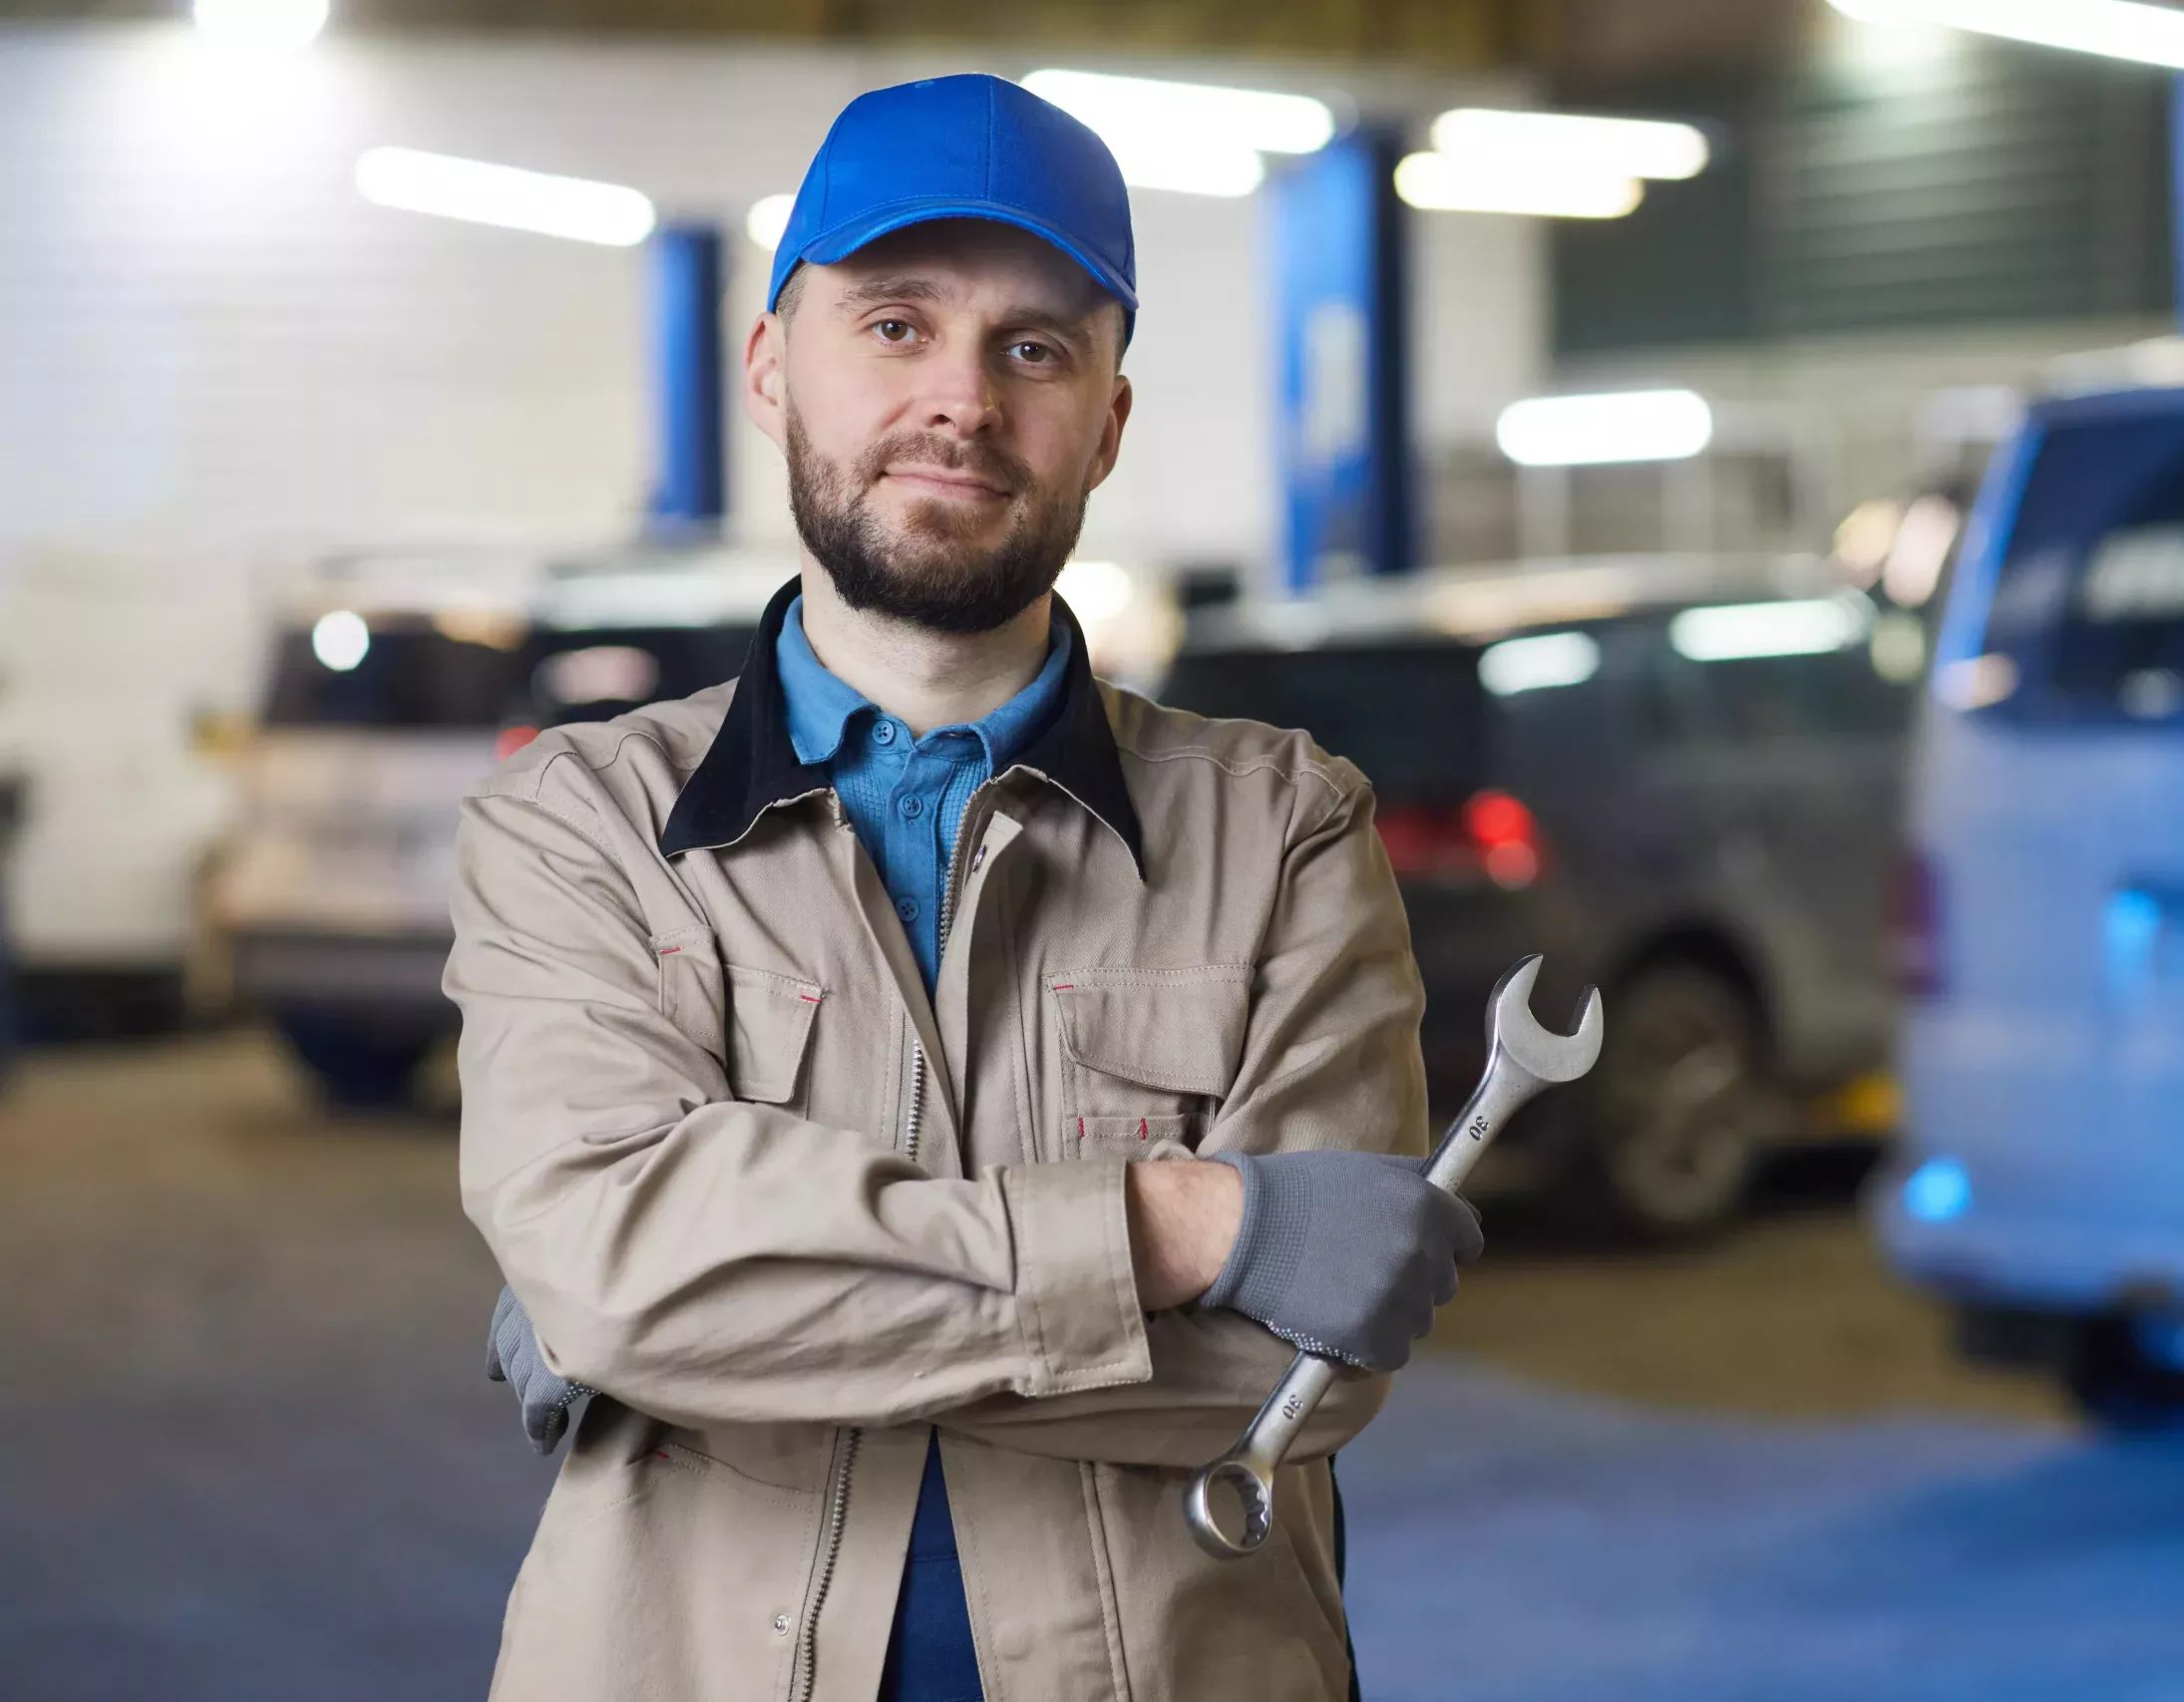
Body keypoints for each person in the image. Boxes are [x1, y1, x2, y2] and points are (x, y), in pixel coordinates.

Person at [454, 74, 1481, 1702]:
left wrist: (706, 1323)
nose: (963, 401)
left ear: (1109, 418)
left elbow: (1298, 1372)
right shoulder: (578, 824)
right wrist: (1182, 1222)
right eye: (893, 325)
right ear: (770, 366)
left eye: (1034, 347)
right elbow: (615, 1274)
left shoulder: (1285, 826)